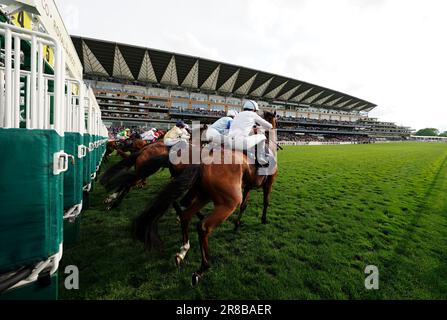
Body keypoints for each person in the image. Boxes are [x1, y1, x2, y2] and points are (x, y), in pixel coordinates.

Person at [228, 100, 272, 167]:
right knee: (262, 137)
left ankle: (251, 155)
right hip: (241, 143)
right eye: (256, 110)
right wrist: (260, 127)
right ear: (254, 109)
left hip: (229, 142)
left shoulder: (238, 114)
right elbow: (269, 126)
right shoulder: (253, 114)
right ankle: (261, 160)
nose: (255, 112)